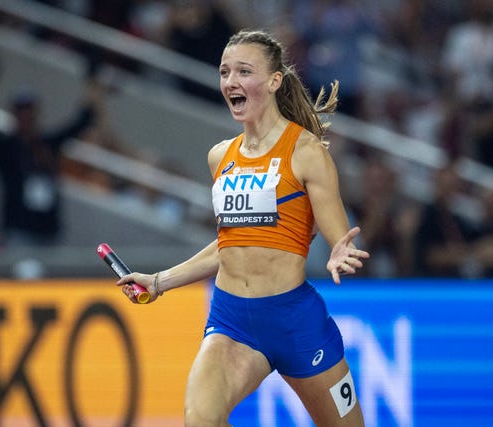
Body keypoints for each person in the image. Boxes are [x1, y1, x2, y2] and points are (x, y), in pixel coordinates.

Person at [116, 29, 369, 426]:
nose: (231, 81)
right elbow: (229, 244)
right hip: (232, 322)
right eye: (224, 72)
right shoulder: (221, 157)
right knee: (200, 419)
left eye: (244, 71)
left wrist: (340, 249)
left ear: (273, 81)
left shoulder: (305, 153)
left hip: (295, 322)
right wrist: (159, 281)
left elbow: (338, 232)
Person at [0, 53, 100, 247]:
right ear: (14, 113)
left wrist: (92, 79)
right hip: (17, 233)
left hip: (49, 233)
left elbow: (83, 120)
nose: (26, 115)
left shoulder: (48, 144)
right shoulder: (7, 148)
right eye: (21, 110)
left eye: (30, 110)